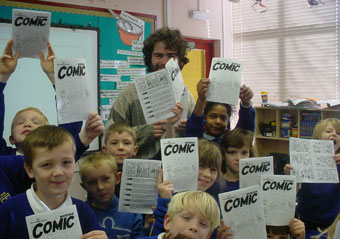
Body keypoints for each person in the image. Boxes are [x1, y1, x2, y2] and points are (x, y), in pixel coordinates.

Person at [0, 125, 113, 239]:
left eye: (66, 162)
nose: (58, 172)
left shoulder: (83, 211)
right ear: (30, 170)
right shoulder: (10, 210)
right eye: (47, 165)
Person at [0, 39, 101, 156]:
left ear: (48, 135)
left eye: (36, 122)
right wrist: (2, 76)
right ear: (11, 139)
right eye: (20, 122)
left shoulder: (57, 155)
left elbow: (70, 125)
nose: (27, 124)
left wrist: (55, 77)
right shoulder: (4, 159)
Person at [108, 27, 195, 160]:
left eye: (171, 56)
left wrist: (188, 130)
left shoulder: (187, 97)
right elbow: (109, 135)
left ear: (180, 61)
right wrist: (145, 132)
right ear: (150, 59)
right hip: (139, 173)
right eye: (158, 55)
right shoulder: (129, 95)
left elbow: (198, 138)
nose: (164, 62)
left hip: (176, 171)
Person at [117, 191, 220, 239]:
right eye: (186, 218)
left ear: (207, 237)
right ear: (168, 222)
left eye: (203, 224)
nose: (194, 227)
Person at [79, 151, 144, 239]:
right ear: (84, 186)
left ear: (117, 178)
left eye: (105, 179)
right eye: (92, 182)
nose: (100, 187)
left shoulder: (133, 214)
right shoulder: (80, 214)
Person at [284, 118, 340, 230]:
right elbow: (292, 186)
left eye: (338, 133)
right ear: (318, 136)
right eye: (329, 131)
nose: (334, 134)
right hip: (304, 218)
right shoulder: (306, 157)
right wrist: (289, 173)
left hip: (330, 222)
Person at [186, 78, 255, 142]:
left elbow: (244, 131)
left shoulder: (230, 142)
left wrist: (246, 103)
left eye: (223, 118)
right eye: (213, 116)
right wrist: (201, 98)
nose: (218, 121)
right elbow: (194, 125)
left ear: (228, 121)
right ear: (205, 117)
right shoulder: (196, 139)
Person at [219, 128, 257, 192]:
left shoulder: (256, 184)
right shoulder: (214, 185)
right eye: (232, 153)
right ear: (223, 155)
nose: (239, 158)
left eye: (244, 153)